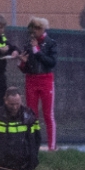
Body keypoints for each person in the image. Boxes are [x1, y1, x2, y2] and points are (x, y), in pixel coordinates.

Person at [17, 16, 57, 151]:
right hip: (31, 80)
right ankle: (32, 144)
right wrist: (22, 62)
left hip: (46, 79)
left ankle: (52, 146)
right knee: (31, 114)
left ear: (43, 29)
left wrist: (37, 51)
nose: (35, 31)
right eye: (33, 28)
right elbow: (25, 68)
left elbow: (51, 62)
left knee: (48, 114)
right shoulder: (28, 44)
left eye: (38, 28)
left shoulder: (50, 43)